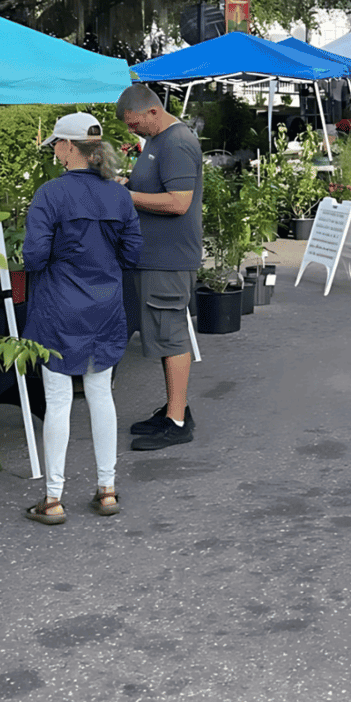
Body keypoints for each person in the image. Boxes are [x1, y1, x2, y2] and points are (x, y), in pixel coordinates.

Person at [20, 112, 142, 523]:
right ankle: (107, 490)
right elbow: (132, 254)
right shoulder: (120, 195)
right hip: (105, 306)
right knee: (101, 394)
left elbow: (33, 256)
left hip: (57, 308)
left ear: (70, 147)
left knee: (58, 401)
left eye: (56, 142)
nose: (54, 149)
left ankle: (53, 498)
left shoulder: (50, 195)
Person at [114, 83, 203, 451]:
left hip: (168, 260)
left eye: (135, 124)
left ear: (153, 111)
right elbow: (155, 188)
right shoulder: (156, 141)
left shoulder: (177, 141)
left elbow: (179, 202)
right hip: (153, 258)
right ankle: (173, 409)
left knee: (171, 335)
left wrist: (127, 195)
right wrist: (129, 183)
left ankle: (178, 422)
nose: (132, 130)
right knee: (162, 335)